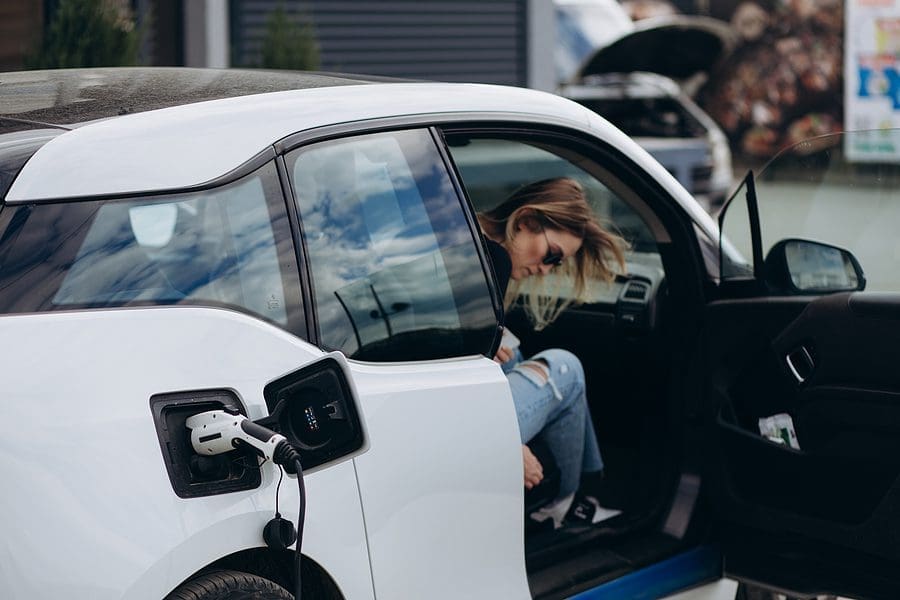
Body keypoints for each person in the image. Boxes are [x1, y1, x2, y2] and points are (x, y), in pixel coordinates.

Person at [478, 177, 627, 529]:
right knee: (566, 368)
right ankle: (562, 507)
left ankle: (583, 496)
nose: (546, 270)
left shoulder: (471, 245)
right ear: (527, 220)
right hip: (452, 424)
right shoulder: (491, 263)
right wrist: (504, 441)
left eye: (556, 264)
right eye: (553, 255)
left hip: (446, 414)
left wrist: (485, 337)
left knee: (514, 354)